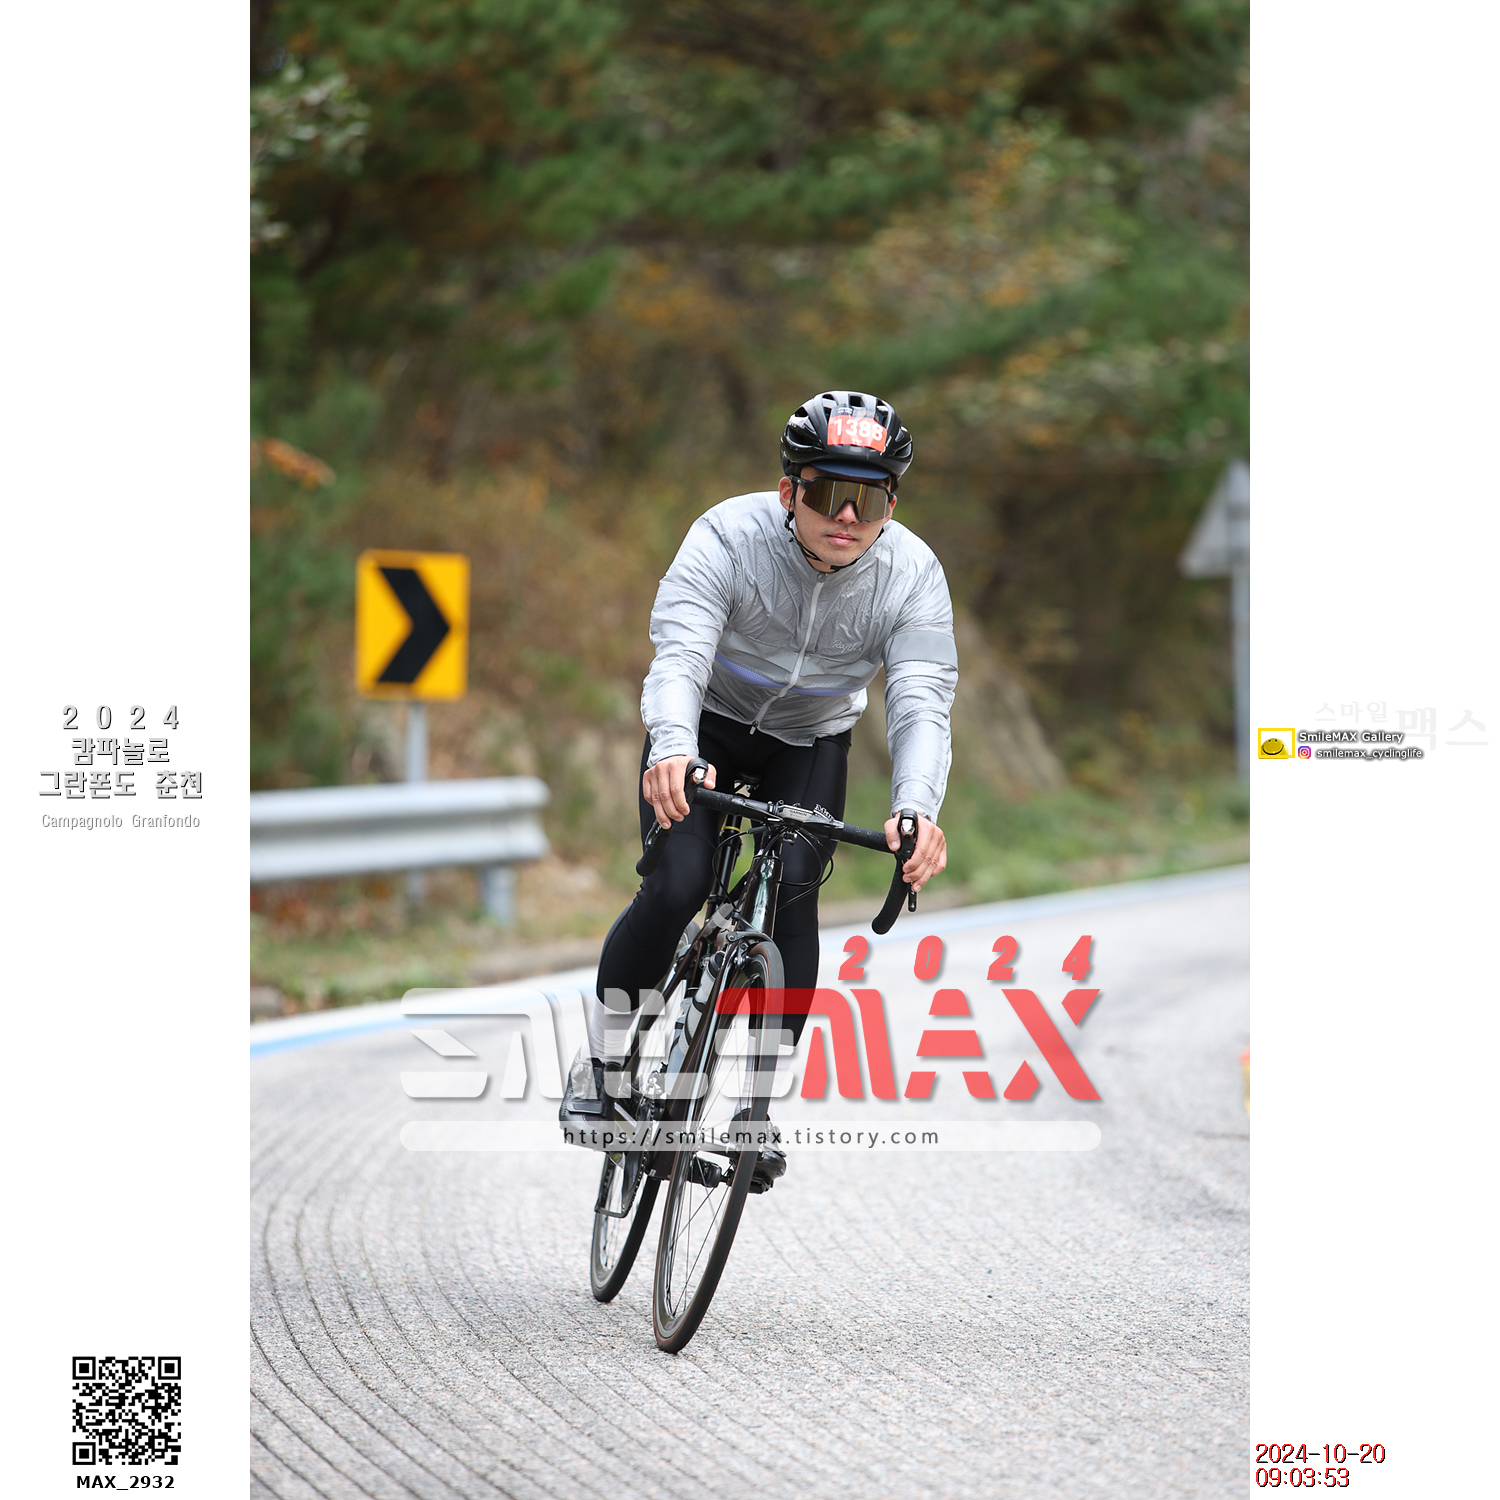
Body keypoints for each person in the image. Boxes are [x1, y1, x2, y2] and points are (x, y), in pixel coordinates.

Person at [561, 391, 958, 1187]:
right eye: (827, 492)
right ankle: (603, 1068)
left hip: (809, 742)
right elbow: (679, 655)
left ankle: (754, 1107)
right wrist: (673, 748)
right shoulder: (726, 537)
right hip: (704, 729)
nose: (847, 516)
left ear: (892, 505)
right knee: (677, 884)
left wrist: (916, 807)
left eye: (870, 499)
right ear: (788, 491)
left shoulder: (913, 574)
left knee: (797, 892)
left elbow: (921, 699)